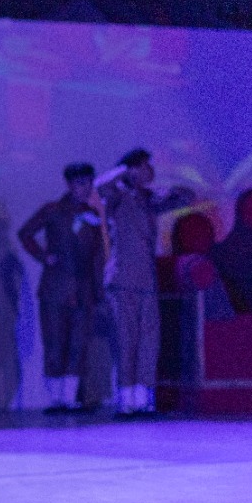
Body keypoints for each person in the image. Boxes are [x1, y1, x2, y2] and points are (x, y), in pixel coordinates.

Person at [96, 149, 195, 417]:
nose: (149, 171)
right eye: (143, 166)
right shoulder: (117, 195)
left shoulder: (149, 199)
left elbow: (187, 197)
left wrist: (166, 190)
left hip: (146, 279)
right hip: (122, 278)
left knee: (149, 339)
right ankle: (125, 399)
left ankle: (144, 398)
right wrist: (123, 171)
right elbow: (100, 186)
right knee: (125, 339)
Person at [18, 163, 105, 412]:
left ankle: (70, 398)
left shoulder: (92, 215)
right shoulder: (53, 210)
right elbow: (25, 233)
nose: (85, 188)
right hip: (55, 288)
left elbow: (97, 254)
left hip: (83, 288)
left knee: (78, 344)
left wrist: (98, 289)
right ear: (69, 184)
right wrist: (43, 256)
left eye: (89, 183)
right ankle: (55, 399)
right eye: (80, 183)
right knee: (55, 343)